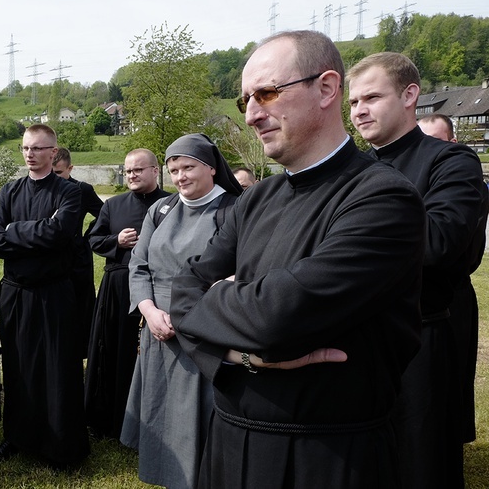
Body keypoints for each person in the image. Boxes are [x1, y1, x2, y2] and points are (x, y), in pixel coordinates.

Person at [169, 31, 426, 489]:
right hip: (228, 442)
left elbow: (277, 317)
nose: (250, 114)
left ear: (327, 88)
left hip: (326, 457)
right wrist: (238, 354)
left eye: (266, 93)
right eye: (244, 99)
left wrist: (221, 299)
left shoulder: (384, 197)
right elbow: (183, 290)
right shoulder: (255, 199)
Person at [348, 52, 488, 488]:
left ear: (410, 95)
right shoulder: (352, 169)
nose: (359, 111)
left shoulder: (452, 162)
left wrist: (347, 244)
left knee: (420, 460)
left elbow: (441, 242)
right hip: (354, 340)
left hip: (420, 339)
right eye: (352, 103)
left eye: (372, 97)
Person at [121, 133, 243, 489]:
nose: (180, 177)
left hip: (205, 328)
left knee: (198, 415)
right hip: (159, 326)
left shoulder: (232, 208)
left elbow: (243, 270)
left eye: (188, 167)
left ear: (210, 167)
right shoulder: (161, 210)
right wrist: (149, 310)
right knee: (162, 410)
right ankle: (165, 474)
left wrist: (190, 314)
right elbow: (138, 265)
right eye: (174, 170)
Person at [0, 124, 90, 467]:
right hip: (16, 294)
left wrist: (14, 231)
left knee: (58, 367)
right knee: (18, 365)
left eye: (38, 149)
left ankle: (61, 447)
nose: (30, 154)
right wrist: (33, 232)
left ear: (53, 153)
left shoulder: (69, 192)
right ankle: (17, 437)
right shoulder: (9, 192)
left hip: (54, 293)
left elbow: (62, 232)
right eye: (25, 148)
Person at [84, 148, 170, 439]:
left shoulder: (171, 203)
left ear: (155, 171)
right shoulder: (113, 205)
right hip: (117, 288)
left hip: (158, 289)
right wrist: (116, 241)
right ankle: (109, 417)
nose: (132, 175)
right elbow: (93, 239)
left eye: (138, 170)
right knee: (113, 350)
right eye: (128, 171)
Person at [418, 111, 486, 445]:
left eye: (435, 140)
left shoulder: (461, 179)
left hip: (453, 290)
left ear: (451, 142)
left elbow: (463, 246)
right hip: (422, 294)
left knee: (453, 373)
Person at [52, 147, 104, 357]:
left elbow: (104, 214)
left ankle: (82, 351)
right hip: (51, 256)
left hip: (77, 257)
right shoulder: (47, 189)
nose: (55, 177)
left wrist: (88, 237)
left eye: (58, 172)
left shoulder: (82, 189)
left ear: (70, 168)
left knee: (80, 305)